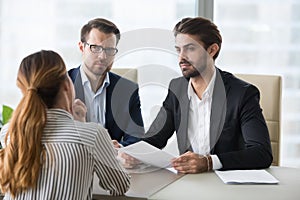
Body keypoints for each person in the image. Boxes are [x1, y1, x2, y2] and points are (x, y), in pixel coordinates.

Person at [121, 17, 273, 174]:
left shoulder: (242, 93)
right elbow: (155, 139)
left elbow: (261, 153)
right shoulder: (177, 88)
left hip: (226, 182)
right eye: (178, 50)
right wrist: (129, 151)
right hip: (188, 180)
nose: (181, 58)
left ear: (212, 50)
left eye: (190, 49)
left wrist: (208, 162)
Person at [0, 50, 130, 199]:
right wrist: (106, 149)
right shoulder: (92, 135)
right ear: (67, 85)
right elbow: (120, 186)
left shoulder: (9, 133)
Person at [68, 18, 144, 147]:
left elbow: (136, 137)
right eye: (96, 48)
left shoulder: (127, 89)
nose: (103, 56)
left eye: (109, 50)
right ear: (82, 47)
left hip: (112, 163)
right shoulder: (61, 85)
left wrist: (121, 147)